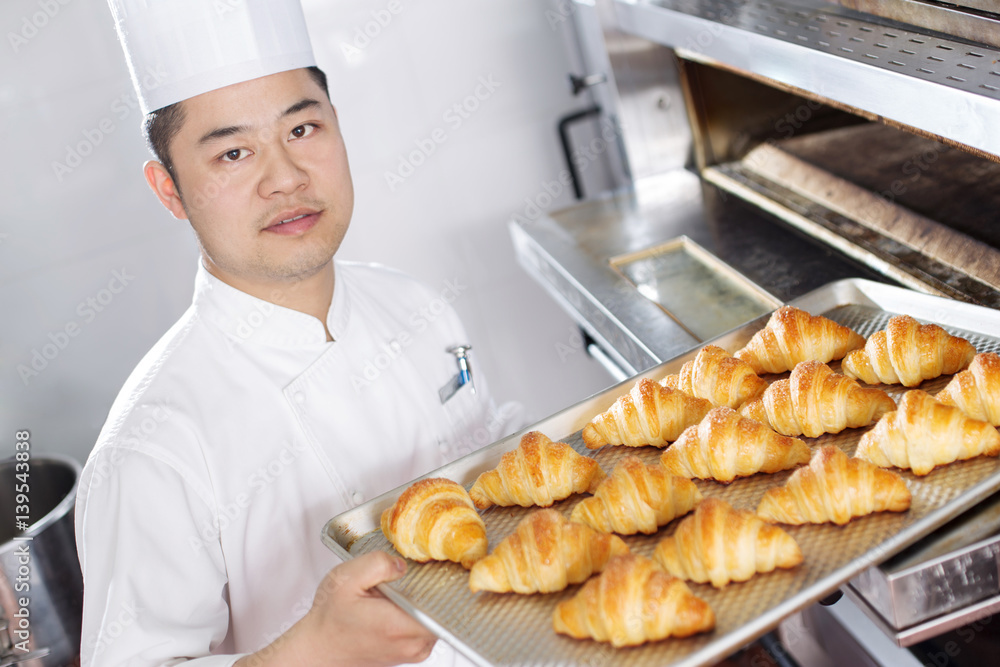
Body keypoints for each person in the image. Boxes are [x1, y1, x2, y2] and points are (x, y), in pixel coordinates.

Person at [75, 1, 516, 665]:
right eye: (233, 152)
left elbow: (497, 486)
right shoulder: (152, 446)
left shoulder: (418, 307)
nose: (285, 177)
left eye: (303, 128)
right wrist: (313, 649)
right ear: (169, 191)